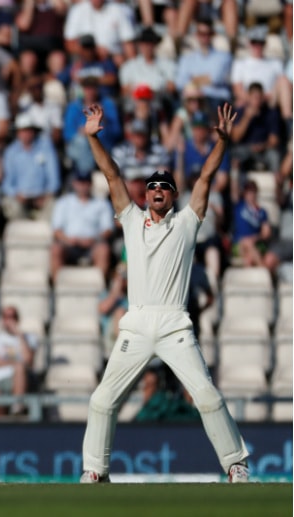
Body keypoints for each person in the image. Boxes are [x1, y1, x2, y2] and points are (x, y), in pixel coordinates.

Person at [79, 102, 250, 483]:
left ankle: (235, 464)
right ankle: (95, 471)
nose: (157, 190)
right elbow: (111, 174)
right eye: (152, 186)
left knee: (206, 396)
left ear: (173, 196)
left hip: (174, 323)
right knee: (102, 401)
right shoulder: (131, 219)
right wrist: (93, 139)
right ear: (146, 195)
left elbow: (205, 178)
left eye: (165, 187)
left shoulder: (187, 223)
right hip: (136, 323)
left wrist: (221, 143)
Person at [49, 171, 114, 281]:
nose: (83, 186)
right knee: (56, 249)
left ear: (91, 184)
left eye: (86, 182)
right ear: (74, 183)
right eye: (80, 182)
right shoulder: (63, 202)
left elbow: (108, 229)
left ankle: (100, 286)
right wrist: (68, 240)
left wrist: (93, 239)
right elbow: (56, 230)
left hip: (93, 244)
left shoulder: (101, 203)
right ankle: (57, 287)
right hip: (69, 244)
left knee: (104, 249)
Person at [1, 112, 61, 221]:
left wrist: (47, 194)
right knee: (11, 205)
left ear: (34, 132)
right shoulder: (11, 152)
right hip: (20, 197)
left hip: (43, 196)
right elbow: (7, 183)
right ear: (17, 133)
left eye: (28, 130)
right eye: (22, 130)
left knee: (54, 205)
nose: (26, 134)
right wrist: (17, 195)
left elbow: (54, 179)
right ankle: (20, 235)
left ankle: (45, 235)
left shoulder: (46, 147)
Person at [0, 306, 38, 420]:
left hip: (24, 379)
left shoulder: (29, 338)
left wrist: (19, 336)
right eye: (6, 317)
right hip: (0, 380)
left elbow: (28, 360)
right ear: (2, 320)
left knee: (19, 368)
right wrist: (13, 363)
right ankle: (0, 428)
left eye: (13, 316)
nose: (10, 320)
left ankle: (17, 406)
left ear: (18, 319)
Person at [231, 180, 278, 276]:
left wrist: (254, 238)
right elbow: (234, 190)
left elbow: (266, 233)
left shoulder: (262, 212)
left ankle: (254, 284)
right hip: (238, 244)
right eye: (248, 192)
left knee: (250, 259)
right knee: (246, 244)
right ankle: (265, 273)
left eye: (253, 192)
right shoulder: (238, 206)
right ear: (244, 193)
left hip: (256, 245)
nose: (251, 194)